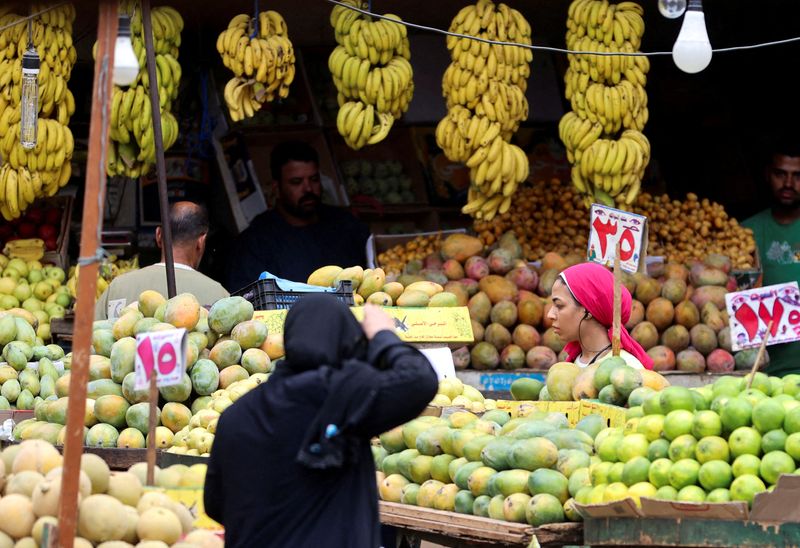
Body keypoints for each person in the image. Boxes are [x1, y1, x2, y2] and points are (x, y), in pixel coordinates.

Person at [203, 295, 438, 547]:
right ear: (347, 342)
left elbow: (215, 503)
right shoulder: (344, 397)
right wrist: (383, 335)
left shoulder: (236, 415)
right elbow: (419, 380)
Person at [226, 141, 371, 291]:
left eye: (314, 179)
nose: (308, 189)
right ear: (276, 187)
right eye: (296, 182)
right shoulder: (255, 242)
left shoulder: (346, 226)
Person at [95, 201, 229, 319]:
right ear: (201, 241)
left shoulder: (118, 287)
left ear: (159, 235)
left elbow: (87, 338)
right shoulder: (219, 296)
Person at [742, 138, 800, 376]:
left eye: (797, 176)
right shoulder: (744, 233)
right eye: (780, 174)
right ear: (767, 175)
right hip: (759, 371)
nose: (788, 183)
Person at [548, 262, 653, 369]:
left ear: (588, 310)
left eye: (559, 305)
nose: (550, 314)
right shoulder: (572, 364)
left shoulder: (626, 369)